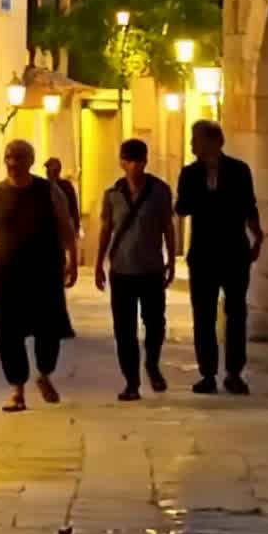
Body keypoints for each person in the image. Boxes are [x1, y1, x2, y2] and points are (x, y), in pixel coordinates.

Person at [0, 138, 78, 412]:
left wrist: (72, 260)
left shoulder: (48, 191)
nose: (13, 163)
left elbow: (65, 225)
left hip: (44, 273)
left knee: (49, 330)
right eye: (9, 157)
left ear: (30, 161)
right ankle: (17, 391)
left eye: (20, 157)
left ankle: (44, 373)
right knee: (9, 333)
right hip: (8, 274)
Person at [175, 120, 264, 396]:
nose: (191, 145)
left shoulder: (239, 171)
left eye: (195, 139)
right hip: (202, 253)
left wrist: (257, 236)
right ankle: (208, 373)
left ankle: (234, 373)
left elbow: (249, 205)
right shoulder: (189, 174)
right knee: (203, 314)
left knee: (236, 312)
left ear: (214, 142)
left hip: (234, 251)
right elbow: (182, 208)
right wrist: (201, 190)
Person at [95, 138, 175, 402]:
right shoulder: (112, 195)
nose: (134, 166)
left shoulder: (160, 191)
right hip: (122, 270)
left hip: (151, 268)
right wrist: (98, 264)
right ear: (121, 162)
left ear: (145, 161)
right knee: (124, 329)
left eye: (139, 161)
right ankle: (131, 381)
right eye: (129, 160)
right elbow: (106, 229)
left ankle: (152, 363)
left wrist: (171, 261)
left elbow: (168, 226)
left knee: (155, 324)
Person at [45, 157, 80, 248]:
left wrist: (76, 227)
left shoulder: (66, 185)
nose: (49, 172)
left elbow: (73, 208)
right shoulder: (44, 186)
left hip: (62, 227)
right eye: (48, 169)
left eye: (52, 170)